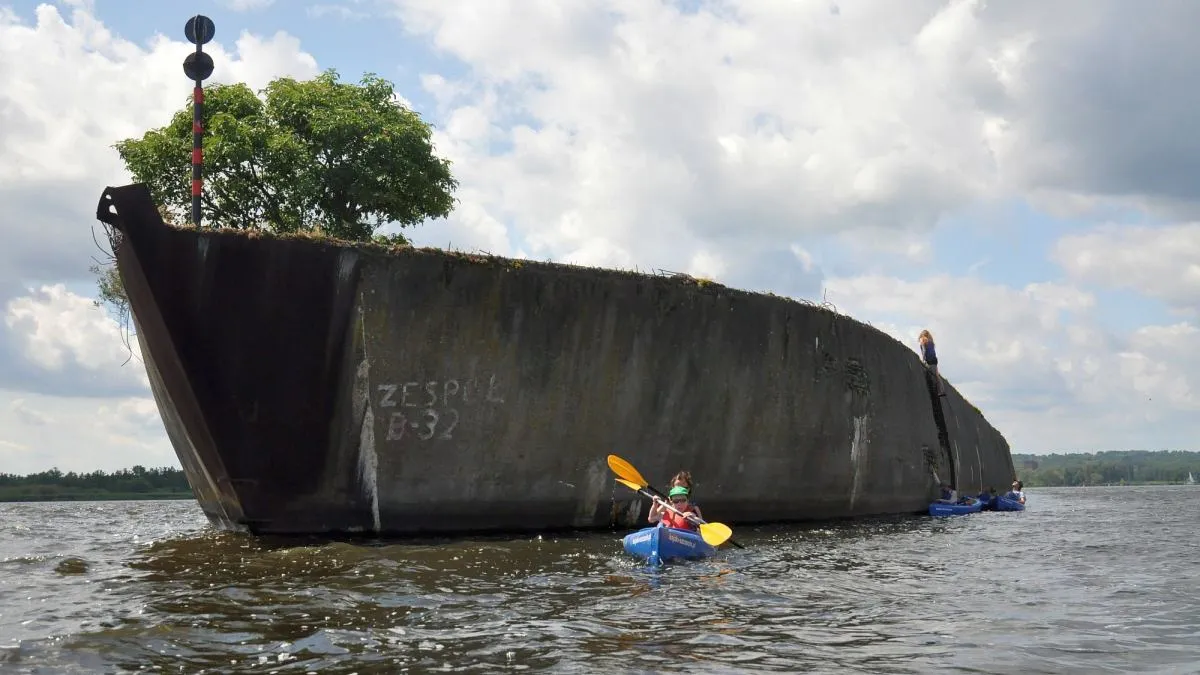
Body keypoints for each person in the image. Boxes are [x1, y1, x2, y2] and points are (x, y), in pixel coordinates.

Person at [919, 329, 946, 397]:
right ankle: (941, 390)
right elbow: (933, 352)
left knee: (932, 375)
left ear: (922, 335)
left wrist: (923, 360)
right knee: (936, 375)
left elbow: (924, 351)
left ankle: (940, 391)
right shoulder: (931, 342)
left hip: (929, 360)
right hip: (934, 360)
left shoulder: (923, 340)